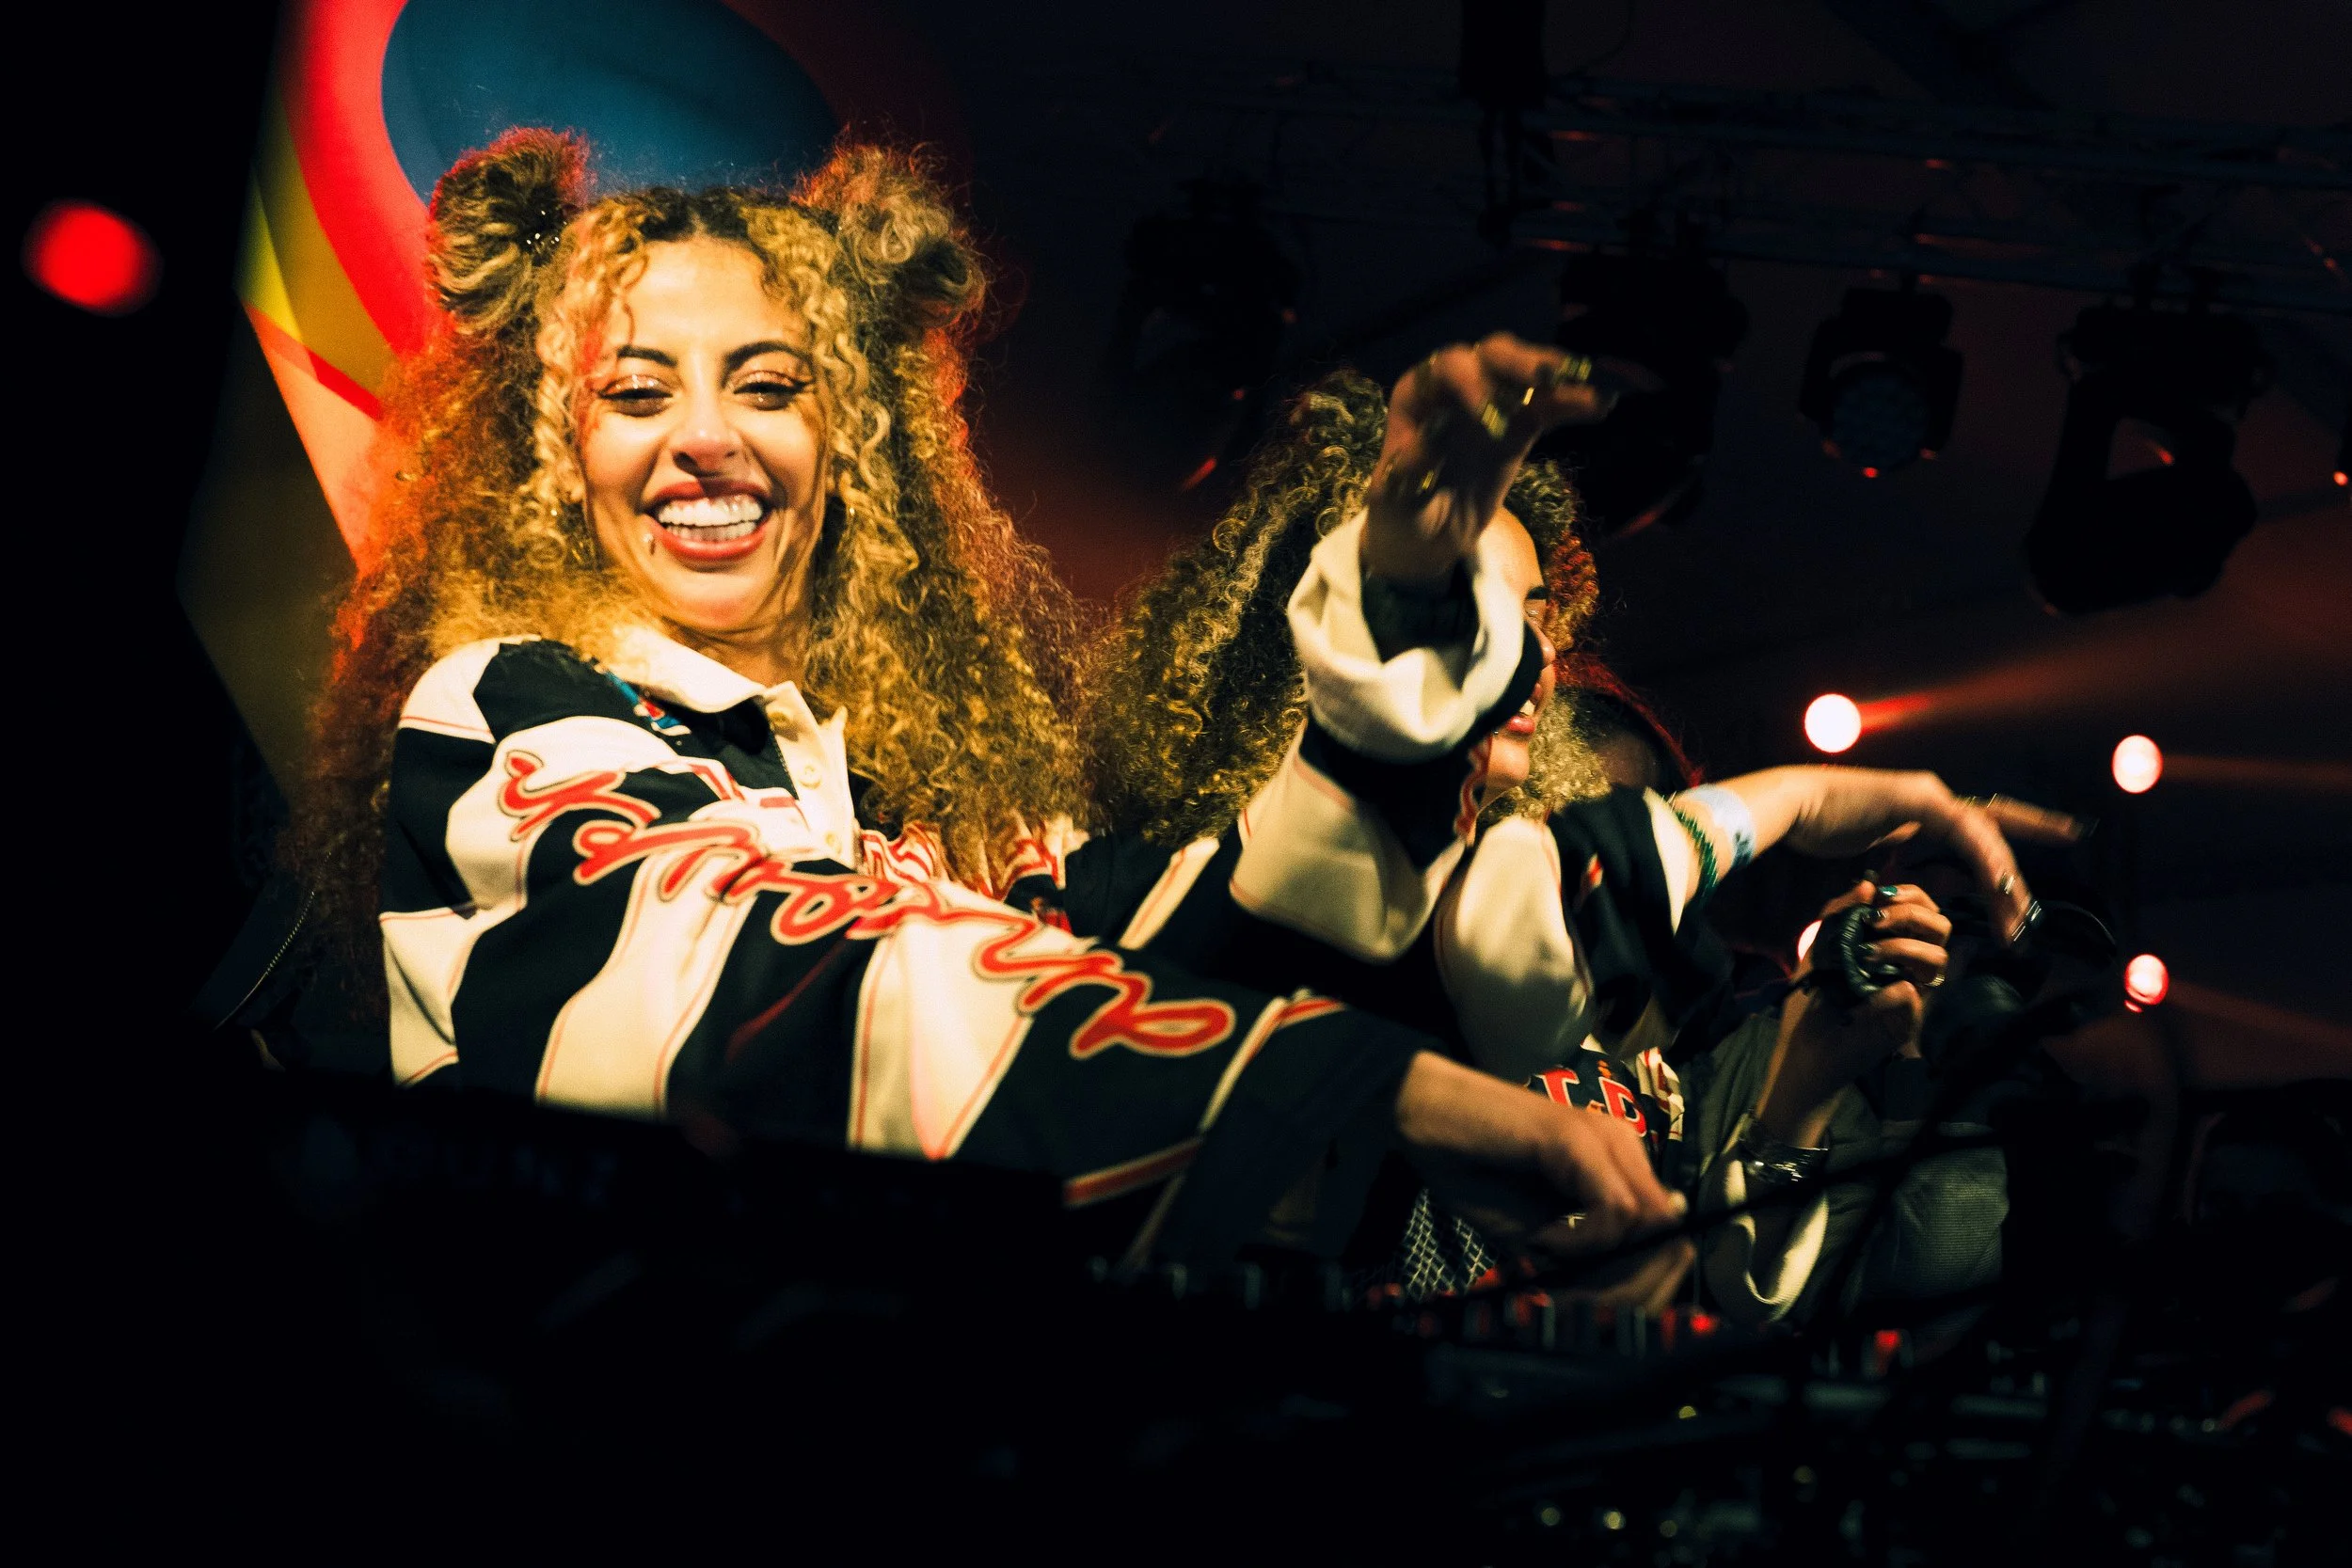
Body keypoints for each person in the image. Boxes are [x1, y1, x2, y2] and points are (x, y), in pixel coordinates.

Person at [284, 129, 1696, 1274]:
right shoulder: (503, 718)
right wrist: (1353, 1079)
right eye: (637, 392)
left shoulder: (918, 793)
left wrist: (1397, 616)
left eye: (768, 385)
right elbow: (777, 996)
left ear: (848, 441)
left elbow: (1202, 935)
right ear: (553, 456)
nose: (708, 437)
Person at [1063, 361, 2077, 1315]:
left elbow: (1748, 1303)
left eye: (1538, 616)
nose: (1535, 653)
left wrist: (1807, 1081)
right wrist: (1804, 797)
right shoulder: (1134, 896)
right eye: (1467, 606)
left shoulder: (1561, 987)